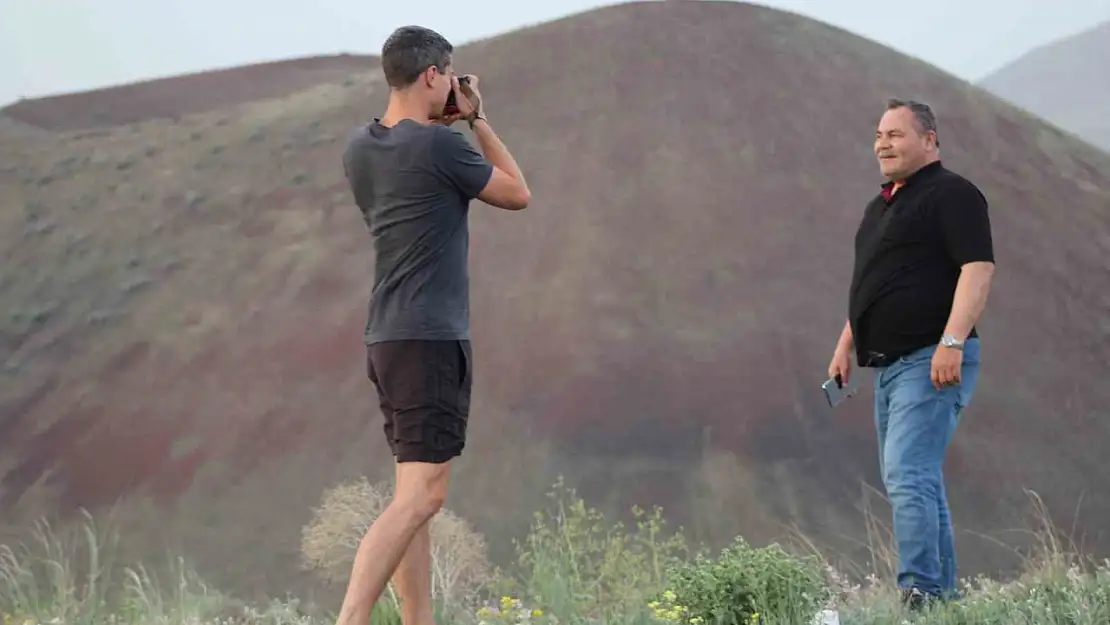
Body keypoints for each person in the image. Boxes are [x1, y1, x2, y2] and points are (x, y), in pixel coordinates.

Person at [336, 25, 531, 625]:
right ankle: (350, 619)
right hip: (429, 339)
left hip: (387, 335)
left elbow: (413, 169)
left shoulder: (361, 147)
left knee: (410, 499)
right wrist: (477, 119)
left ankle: (417, 620)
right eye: (448, 74)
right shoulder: (444, 148)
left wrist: (444, 121)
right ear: (432, 76)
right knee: (426, 495)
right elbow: (518, 194)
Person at [827, 98, 995, 610]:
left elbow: (978, 269)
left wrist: (951, 341)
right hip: (890, 366)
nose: (883, 143)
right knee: (916, 475)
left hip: (932, 358)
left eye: (896, 134)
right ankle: (941, 599)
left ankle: (919, 590)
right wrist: (846, 342)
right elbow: (876, 283)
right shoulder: (880, 208)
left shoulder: (953, 195)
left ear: (930, 140)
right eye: (879, 134)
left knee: (906, 473)